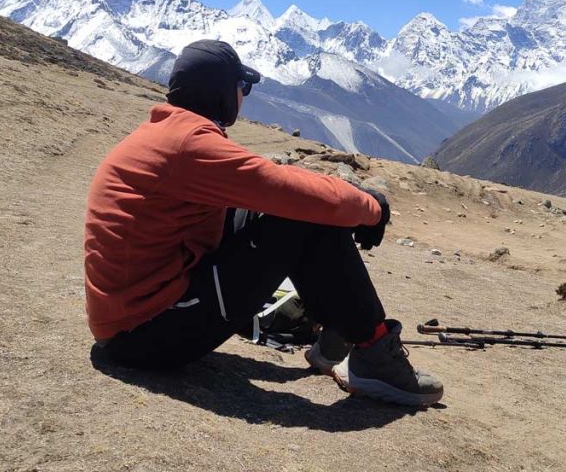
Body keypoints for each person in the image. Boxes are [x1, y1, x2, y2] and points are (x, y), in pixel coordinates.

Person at [84, 39, 443, 407]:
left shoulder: (164, 135)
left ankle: (338, 333)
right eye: (243, 87)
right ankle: (373, 351)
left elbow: (265, 192)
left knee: (284, 211)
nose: (244, 96)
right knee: (304, 214)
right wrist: (371, 208)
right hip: (145, 336)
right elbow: (294, 192)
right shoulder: (189, 145)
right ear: (223, 93)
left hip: (130, 322)